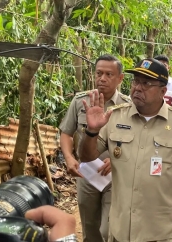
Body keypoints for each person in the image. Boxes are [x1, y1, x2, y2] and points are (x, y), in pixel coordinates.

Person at [78, 58, 172, 242]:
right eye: (136, 81)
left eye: (147, 83)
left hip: (162, 232)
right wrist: (91, 131)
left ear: (163, 91)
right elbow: (87, 157)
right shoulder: (115, 117)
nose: (138, 88)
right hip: (121, 229)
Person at [59, 54, 131, 242]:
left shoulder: (128, 107)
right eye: (99, 73)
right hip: (87, 174)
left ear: (120, 78)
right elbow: (66, 132)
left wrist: (116, 159)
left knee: (109, 228)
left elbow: (138, 141)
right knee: (90, 226)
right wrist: (69, 158)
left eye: (109, 74)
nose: (103, 78)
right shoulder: (80, 102)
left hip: (115, 174)